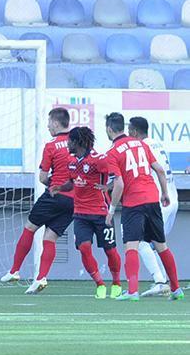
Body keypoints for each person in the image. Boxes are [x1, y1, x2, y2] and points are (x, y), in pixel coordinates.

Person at [104, 113, 182, 301]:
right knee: (161, 245)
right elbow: (160, 170)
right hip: (153, 198)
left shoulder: (112, 152)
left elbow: (120, 184)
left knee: (131, 245)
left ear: (109, 129)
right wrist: (164, 193)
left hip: (134, 203)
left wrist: (111, 210)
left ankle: (133, 291)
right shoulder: (141, 144)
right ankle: (176, 289)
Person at [1, 108, 74, 294]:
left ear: (56, 123)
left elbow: (42, 178)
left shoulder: (51, 146)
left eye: (49, 122)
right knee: (50, 238)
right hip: (74, 200)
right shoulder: (78, 142)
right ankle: (41, 277)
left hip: (54, 196)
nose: (48, 126)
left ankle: (14, 270)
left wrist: (54, 185)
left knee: (30, 228)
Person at [48, 127, 122, 299]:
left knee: (110, 250)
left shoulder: (100, 160)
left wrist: (107, 187)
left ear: (77, 142)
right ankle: (100, 284)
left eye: (69, 141)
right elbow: (72, 182)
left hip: (101, 213)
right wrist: (60, 188)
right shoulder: (71, 161)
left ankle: (117, 283)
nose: (67, 144)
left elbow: (118, 179)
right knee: (84, 247)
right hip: (80, 213)